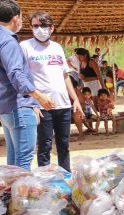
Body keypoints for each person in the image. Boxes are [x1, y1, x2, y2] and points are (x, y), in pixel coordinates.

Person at [20, 11, 84, 171]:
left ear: (51, 28)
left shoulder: (57, 48)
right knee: (44, 147)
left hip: (62, 105)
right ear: (31, 27)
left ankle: (66, 178)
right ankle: (45, 182)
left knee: (64, 146)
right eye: (35, 26)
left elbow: (65, 75)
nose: (39, 29)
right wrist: (31, 103)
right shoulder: (25, 47)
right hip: (42, 107)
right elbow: (21, 78)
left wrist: (75, 99)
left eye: (43, 26)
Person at [0, 0, 55, 170]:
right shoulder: (8, 40)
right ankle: (21, 197)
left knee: (13, 161)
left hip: (5, 108)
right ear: (16, 18)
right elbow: (16, 74)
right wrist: (38, 96)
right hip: (18, 107)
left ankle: (11, 196)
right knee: (23, 161)